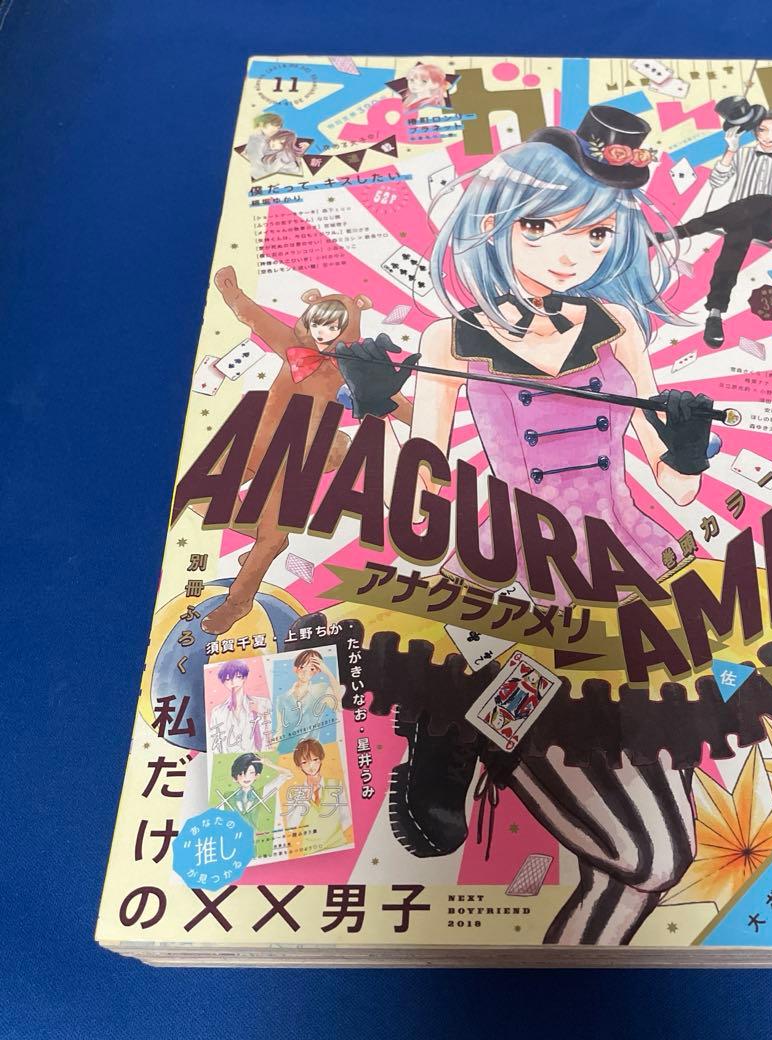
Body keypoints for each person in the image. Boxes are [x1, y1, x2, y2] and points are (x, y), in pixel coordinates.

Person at [390, 106, 729, 947]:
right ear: (495, 224)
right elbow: (424, 485)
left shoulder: (617, 326)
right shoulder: (451, 338)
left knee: (647, 860)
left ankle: (564, 979)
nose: (568, 252)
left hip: (632, 571)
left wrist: (688, 447)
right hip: (521, 573)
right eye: (540, 227)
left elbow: (673, 487)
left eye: (594, 232)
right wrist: (374, 406)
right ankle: (462, 722)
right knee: (652, 856)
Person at [201, 269, 415, 636]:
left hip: (296, 458)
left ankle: (237, 601)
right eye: (318, 323)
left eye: (333, 327)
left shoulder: (351, 367)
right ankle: (266, 541)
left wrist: (427, 422)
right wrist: (231, 290)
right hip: (255, 440)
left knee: (270, 536)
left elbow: (392, 399)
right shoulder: (291, 343)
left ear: (348, 330)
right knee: (199, 495)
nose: (322, 332)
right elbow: (252, 315)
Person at [658, 97, 772, 349]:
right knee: (736, 242)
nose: (768, 136)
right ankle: (715, 313)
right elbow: (717, 181)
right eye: (762, 130)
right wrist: (730, 150)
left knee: (765, 199)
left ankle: (675, 233)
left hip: (768, 222)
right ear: (754, 131)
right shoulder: (743, 154)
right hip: (737, 218)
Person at [273, 649, 342, 751]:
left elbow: (339, 706)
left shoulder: (321, 689)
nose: (305, 672)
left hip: (310, 749)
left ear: (318, 670)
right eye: (302, 667)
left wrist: (328, 673)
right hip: (285, 750)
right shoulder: (282, 698)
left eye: (311, 669)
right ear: (295, 669)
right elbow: (279, 731)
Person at [208, 660, 272, 753]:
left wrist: (261, 712)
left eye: (237, 677)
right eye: (228, 679)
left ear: (244, 678)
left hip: (260, 757)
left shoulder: (262, 703)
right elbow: (216, 745)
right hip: (229, 759)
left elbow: (272, 734)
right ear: (223, 682)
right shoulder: (217, 712)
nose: (233, 682)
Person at [219, 752, 290, 833]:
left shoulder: (260, 794)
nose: (246, 777)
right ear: (235, 777)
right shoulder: (228, 796)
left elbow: (287, 774)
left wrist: (269, 764)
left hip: (251, 838)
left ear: (257, 775)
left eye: (251, 773)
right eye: (241, 773)